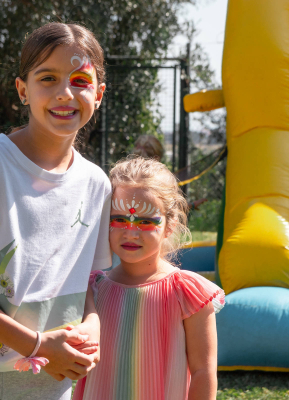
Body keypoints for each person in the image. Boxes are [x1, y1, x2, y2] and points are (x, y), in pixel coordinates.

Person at [0, 22, 110, 400]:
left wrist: (92, 325)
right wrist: (37, 345)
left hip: (50, 372)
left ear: (99, 94)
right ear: (23, 90)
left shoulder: (97, 185)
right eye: (48, 78)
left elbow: (87, 280)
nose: (65, 93)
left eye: (80, 80)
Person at [73, 156, 226, 400]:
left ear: (170, 225)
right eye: (119, 219)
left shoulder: (187, 292)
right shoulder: (91, 288)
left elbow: (203, 372)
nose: (130, 232)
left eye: (145, 221)